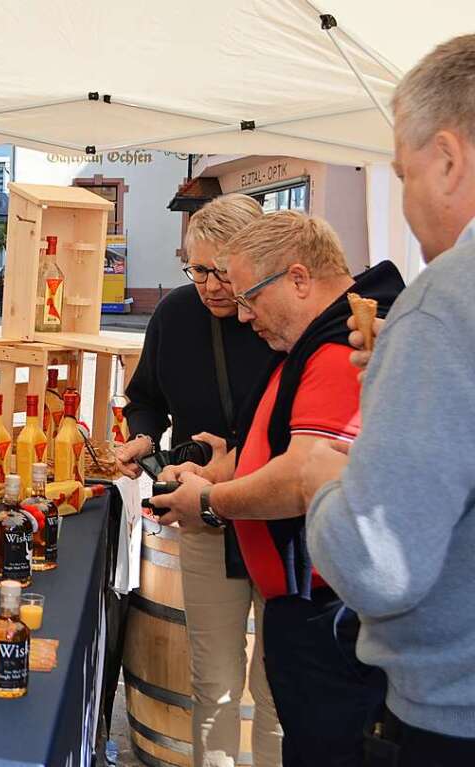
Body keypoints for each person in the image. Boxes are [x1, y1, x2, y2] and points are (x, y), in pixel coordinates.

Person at [151, 211, 403, 767]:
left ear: (297, 278)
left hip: (323, 607)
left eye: (249, 298)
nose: (242, 316)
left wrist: (211, 502)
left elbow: (299, 476)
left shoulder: (337, 348)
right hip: (308, 599)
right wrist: (221, 471)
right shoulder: (314, 340)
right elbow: (275, 439)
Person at [302, 33, 475, 767]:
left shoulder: (444, 301)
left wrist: (321, 482)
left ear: (447, 159)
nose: (404, 201)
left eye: (402, 174)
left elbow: (379, 562)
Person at [115, 194, 282, 767]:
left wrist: (235, 460)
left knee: (276, 693)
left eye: (221, 271)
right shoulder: (175, 315)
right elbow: (146, 399)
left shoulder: (279, 318)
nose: (209, 285)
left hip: (280, 517)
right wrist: (141, 435)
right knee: (212, 684)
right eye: (196, 268)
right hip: (205, 521)